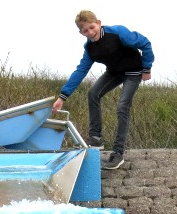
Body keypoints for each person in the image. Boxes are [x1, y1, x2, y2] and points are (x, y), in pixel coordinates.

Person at [51, 10, 154, 170]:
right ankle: (96, 138)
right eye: (86, 30)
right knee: (93, 93)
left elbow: (145, 44)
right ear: (81, 33)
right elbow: (80, 71)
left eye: (92, 27)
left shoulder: (118, 33)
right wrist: (62, 97)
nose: (90, 32)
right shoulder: (90, 48)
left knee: (122, 107)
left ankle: (118, 154)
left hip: (133, 72)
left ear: (98, 23)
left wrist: (146, 68)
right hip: (114, 72)